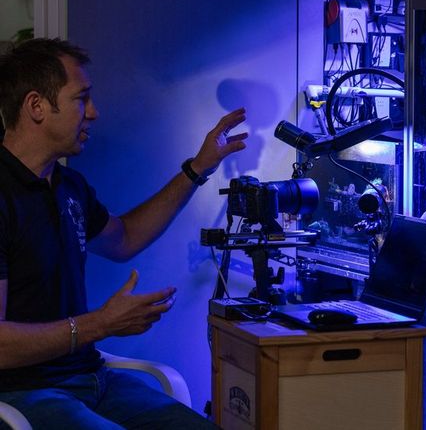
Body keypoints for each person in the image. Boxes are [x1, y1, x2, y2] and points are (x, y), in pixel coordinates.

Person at [0, 38, 247, 428]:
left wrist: (198, 168)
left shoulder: (69, 186)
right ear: (36, 106)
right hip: (22, 393)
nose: (94, 113)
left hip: (94, 379)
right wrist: (99, 324)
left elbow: (126, 237)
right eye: (82, 98)